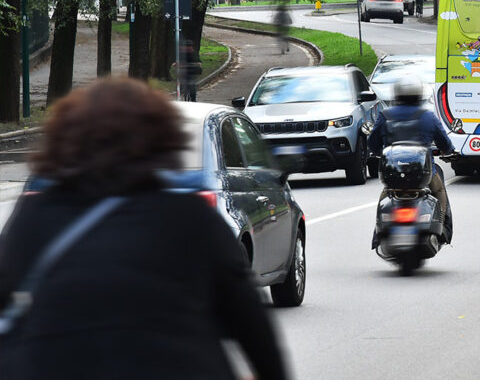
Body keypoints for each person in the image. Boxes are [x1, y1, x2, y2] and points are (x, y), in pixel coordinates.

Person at [0, 77, 288, 380]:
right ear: (159, 139)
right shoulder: (188, 217)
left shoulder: (35, 215)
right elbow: (250, 322)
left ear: (64, 140)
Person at [368, 74, 454, 244]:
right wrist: (448, 151)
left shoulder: (385, 115)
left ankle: (378, 232)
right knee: (439, 191)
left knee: (385, 194)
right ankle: (442, 225)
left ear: (397, 94)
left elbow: (373, 142)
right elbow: (444, 142)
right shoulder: (427, 116)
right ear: (419, 94)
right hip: (423, 172)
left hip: (393, 172)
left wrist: (379, 151)